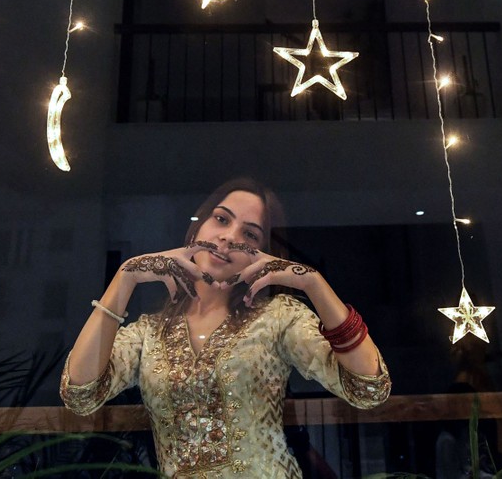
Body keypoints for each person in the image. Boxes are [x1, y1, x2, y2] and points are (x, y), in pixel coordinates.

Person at [61, 178, 391, 478]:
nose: (229, 237)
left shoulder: (277, 317)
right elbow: (81, 394)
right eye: (221, 219)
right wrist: (126, 276)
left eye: (250, 234)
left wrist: (314, 284)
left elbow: (369, 389)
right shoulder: (149, 333)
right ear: (196, 231)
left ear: (261, 255)